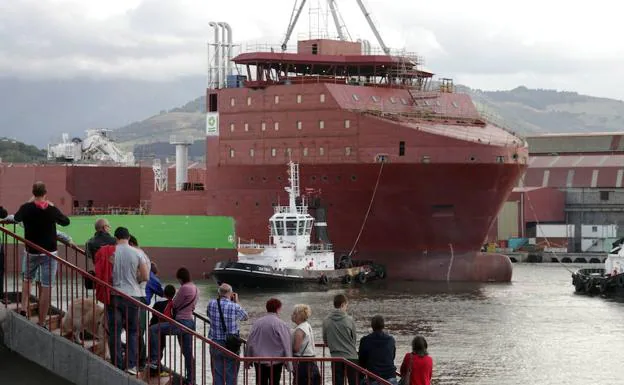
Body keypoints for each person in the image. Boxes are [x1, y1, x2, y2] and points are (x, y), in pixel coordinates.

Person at [15, 182, 70, 328]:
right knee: (46, 286)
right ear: (45, 193)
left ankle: (23, 308)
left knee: (27, 279)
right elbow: (66, 221)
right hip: (49, 252)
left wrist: (28, 202)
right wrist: (51, 206)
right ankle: (41, 320)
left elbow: (16, 218)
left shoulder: (26, 208)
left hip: (31, 250)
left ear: (33, 193)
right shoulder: (51, 209)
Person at [107, 226, 149, 374]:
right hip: (133, 296)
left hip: (115, 295)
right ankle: (131, 365)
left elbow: (107, 274)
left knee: (115, 331)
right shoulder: (138, 253)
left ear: (116, 238)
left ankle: (116, 363)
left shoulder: (111, 252)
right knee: (132, 331)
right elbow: (145, 276)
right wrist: (134, 281)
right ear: (129, 237)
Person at [148, 267, 198, 385]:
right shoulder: (195, 288)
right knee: (187, 352)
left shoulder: (184, 288)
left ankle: (154, 360)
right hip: (190, 322)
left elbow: (174, 304)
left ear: (181, 278)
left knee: (153, 329)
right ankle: (191, 380)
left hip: (180, 323)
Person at [207, 283, 248, 385]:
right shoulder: (235, 307)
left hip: (216, 343)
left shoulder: (211, 304)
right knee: (232, 374)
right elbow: (245, 317)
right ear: (230, 294)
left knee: (217, 373)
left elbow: (208, 314)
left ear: (218, 293)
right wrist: (236, 302)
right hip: (232, 344)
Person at [245, 298, 292, 385]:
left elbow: (250, 341)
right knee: (275, 382)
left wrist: (248, 359)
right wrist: (288, 362)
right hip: (276, 361)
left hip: (259, 360)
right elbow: (286, 343)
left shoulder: (257, 323)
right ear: (278, 309)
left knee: (260, 382)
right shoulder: (281, 324)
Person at [322, 294, 358, 385]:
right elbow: (354, 340)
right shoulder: (350, 320)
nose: (346, 308)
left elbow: (325, 341)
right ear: (342, 304)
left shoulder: (326, 320)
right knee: (353, 382)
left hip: (335, 358)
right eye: (346, 306)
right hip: (351, 357)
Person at [358, 316, 397, 385]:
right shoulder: (391, 340)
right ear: (383, 326)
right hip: (391, 377)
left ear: (372, 326)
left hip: (374, 378)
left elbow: (362, 360)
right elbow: (392, 356)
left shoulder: (365, 340)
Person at [149, 284, 176, 374]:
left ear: (164, 293)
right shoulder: (171, 303)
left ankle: (154, 367)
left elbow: (153, 314)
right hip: (163, 328)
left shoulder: (158, 303)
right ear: (173, 295)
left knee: (154, 348)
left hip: (155, 327)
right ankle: (157, 368)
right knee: (161, 347)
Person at [291, 304, 320, 385]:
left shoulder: (300, 329)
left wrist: (287, 349)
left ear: (298, 316)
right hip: (311, 362)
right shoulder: (307, 326)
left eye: (294, 313)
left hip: (303, 364)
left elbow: (296, 348)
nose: (292, 315)